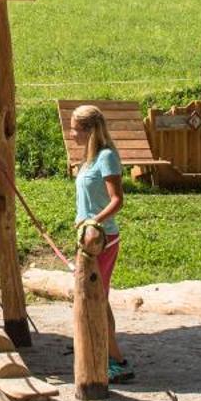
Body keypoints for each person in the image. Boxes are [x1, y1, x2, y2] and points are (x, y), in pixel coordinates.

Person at [69, 103, 131, 382]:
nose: (72, 135)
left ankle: (115, 360)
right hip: (88, 237)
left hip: (102, 237)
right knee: (100, 299)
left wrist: (94, 220)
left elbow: (117, 200)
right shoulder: (89, 159)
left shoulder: (106, 157)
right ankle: (110, 354)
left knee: (96, 298)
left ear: (90, 130)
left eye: (75, 129)